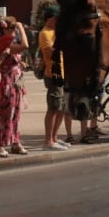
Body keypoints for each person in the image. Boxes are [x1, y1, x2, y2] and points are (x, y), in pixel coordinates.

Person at [38, 9, 73, 152]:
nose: (58, 21)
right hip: (53, 73)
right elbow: (49, 52)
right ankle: (48, 141)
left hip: (62, 72)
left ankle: (54, 137)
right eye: (56, 18)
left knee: (61, 108)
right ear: (49, 18)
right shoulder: (45, 33)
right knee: (53, 108)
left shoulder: (56, 32)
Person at [0, 18, 28, 155]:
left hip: (15, 82)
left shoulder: (9, 43)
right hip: (7, 82)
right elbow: (25, 45)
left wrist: (20, 64)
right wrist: (21, 28)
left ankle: (15, 142)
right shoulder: (4, 43)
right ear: (4, 29)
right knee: (5, 113)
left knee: (16, 113)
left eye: (15, 27)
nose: (14, 30)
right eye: (12, 27)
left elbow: (13, 57)